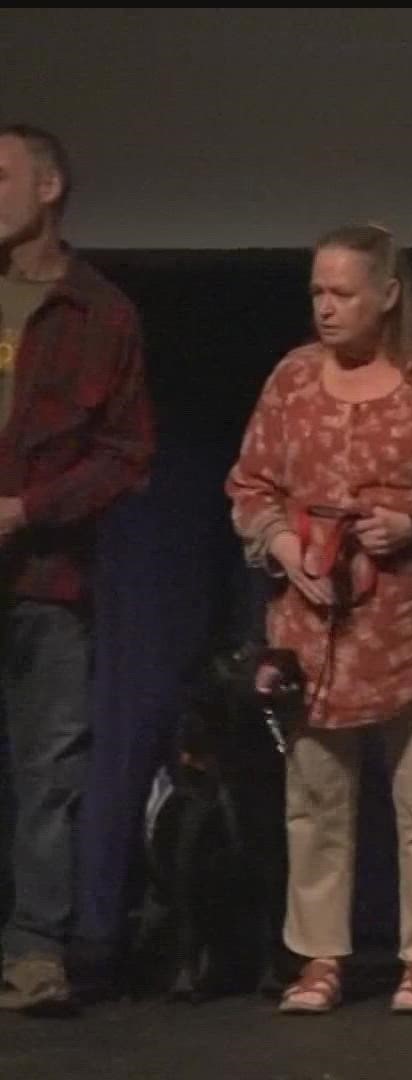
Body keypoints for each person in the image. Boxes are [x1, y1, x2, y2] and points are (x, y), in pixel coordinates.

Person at [226, 224, 412, 1015]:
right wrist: (286, 546)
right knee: (314, 800)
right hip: (316, 628)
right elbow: (250, 487)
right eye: (317, 293)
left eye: (343, 293)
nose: (326, 308)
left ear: (388, 294)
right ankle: (320, 956)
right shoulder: (292, 380)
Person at [0, 123, 154, 1014]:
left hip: (45, 578)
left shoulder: (101, 313)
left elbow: (126, 453)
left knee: (48, 771)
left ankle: (32, 953)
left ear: (49, 187)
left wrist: (28, 509)